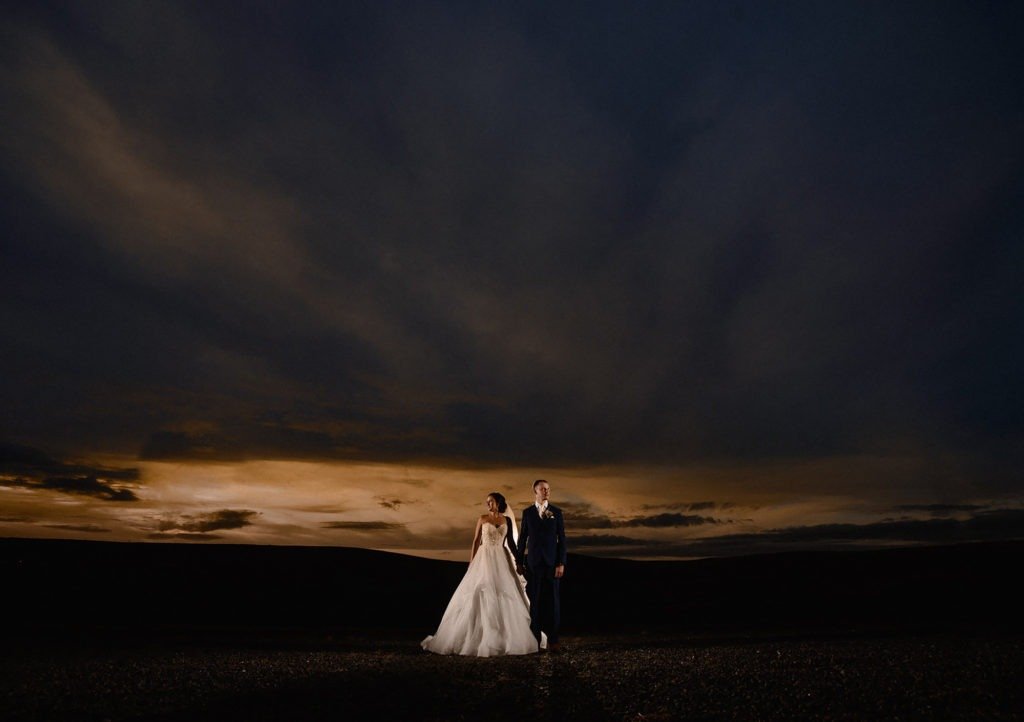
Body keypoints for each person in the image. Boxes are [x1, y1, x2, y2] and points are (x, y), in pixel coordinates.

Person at [421, 492, 538, 656]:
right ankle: (475, 637)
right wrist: (472, 562)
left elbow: (510, 542)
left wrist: (518, 562)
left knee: (504, 592)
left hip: (502, 557)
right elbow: (476, 540)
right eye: (487, 502)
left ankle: (505, 638)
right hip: (484, 559)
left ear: (498, 502)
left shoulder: (507, 520)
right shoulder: (482, 519)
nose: (488, 504)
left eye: (491, 501)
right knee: (480, 591)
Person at [515, 479, 567, 652]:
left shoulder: (556, 512)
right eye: (543, 489)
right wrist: (519, 561)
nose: (546, 491)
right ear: (535, 491)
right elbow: (523, 538)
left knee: (553, 601)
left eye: (548, 489)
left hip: (552, 563)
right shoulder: (528, 512)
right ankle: (535, 640)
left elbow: (562, 539)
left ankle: (554, 640)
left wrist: (561, 562)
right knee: (534, 601)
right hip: (534, 564)